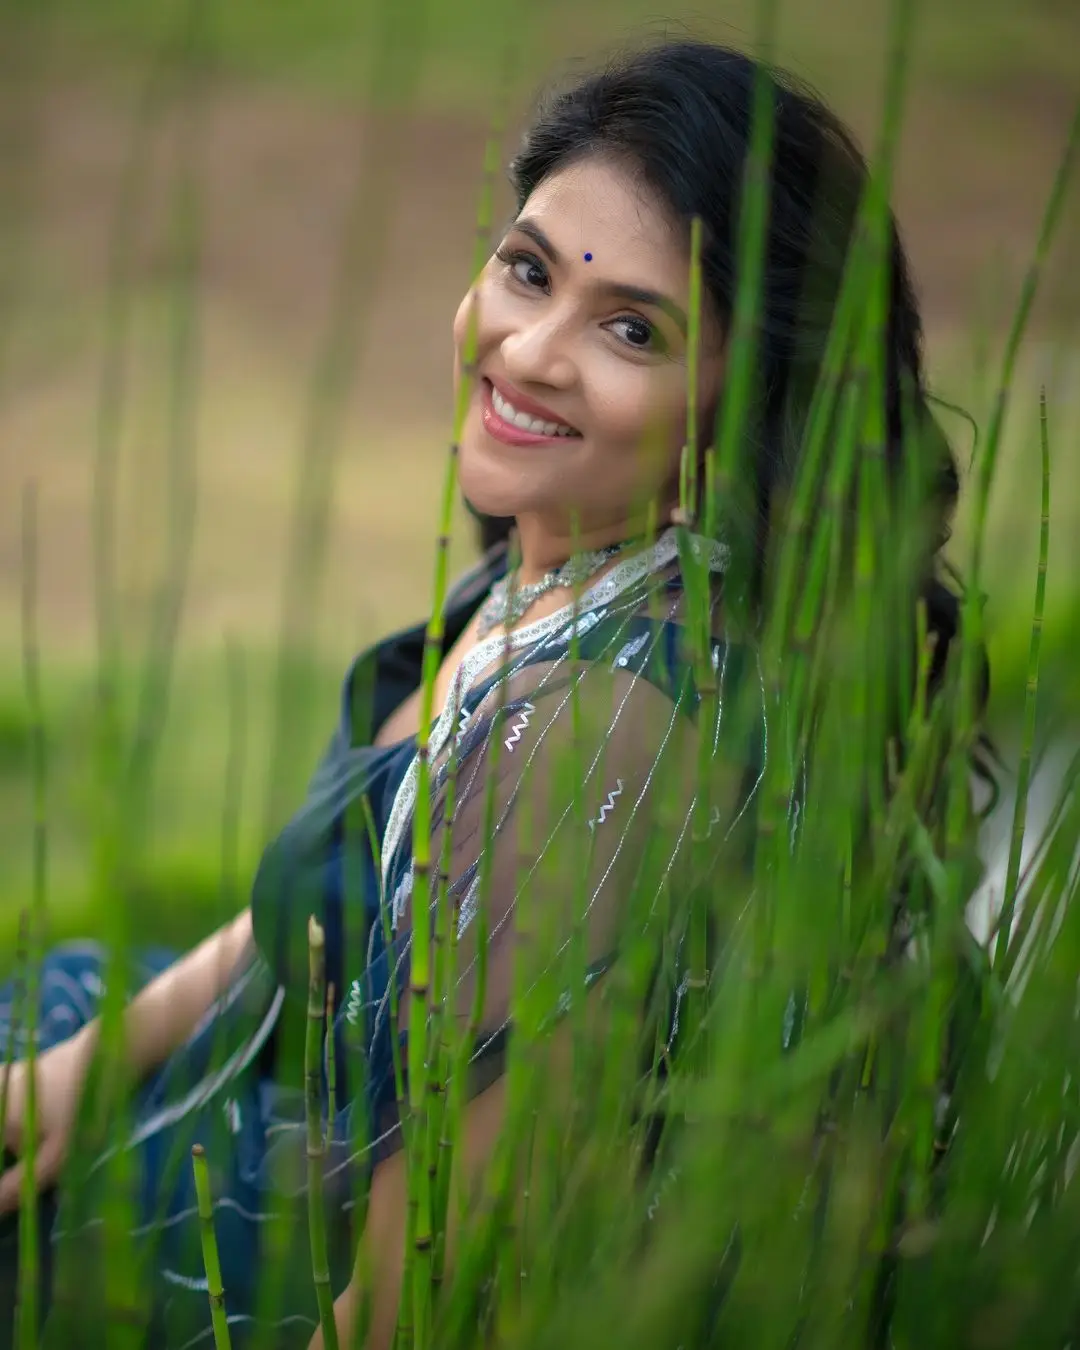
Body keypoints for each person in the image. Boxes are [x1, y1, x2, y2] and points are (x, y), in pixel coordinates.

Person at [0, 38, 981, 1350]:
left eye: (633, 327)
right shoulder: (557, 584)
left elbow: (434, 1301)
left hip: (260, 1265)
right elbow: (336, 881)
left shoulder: (587, 737)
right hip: (242, 1108)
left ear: (740, 402)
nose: (529, 348)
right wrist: (88, 1060)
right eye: (526, 270)